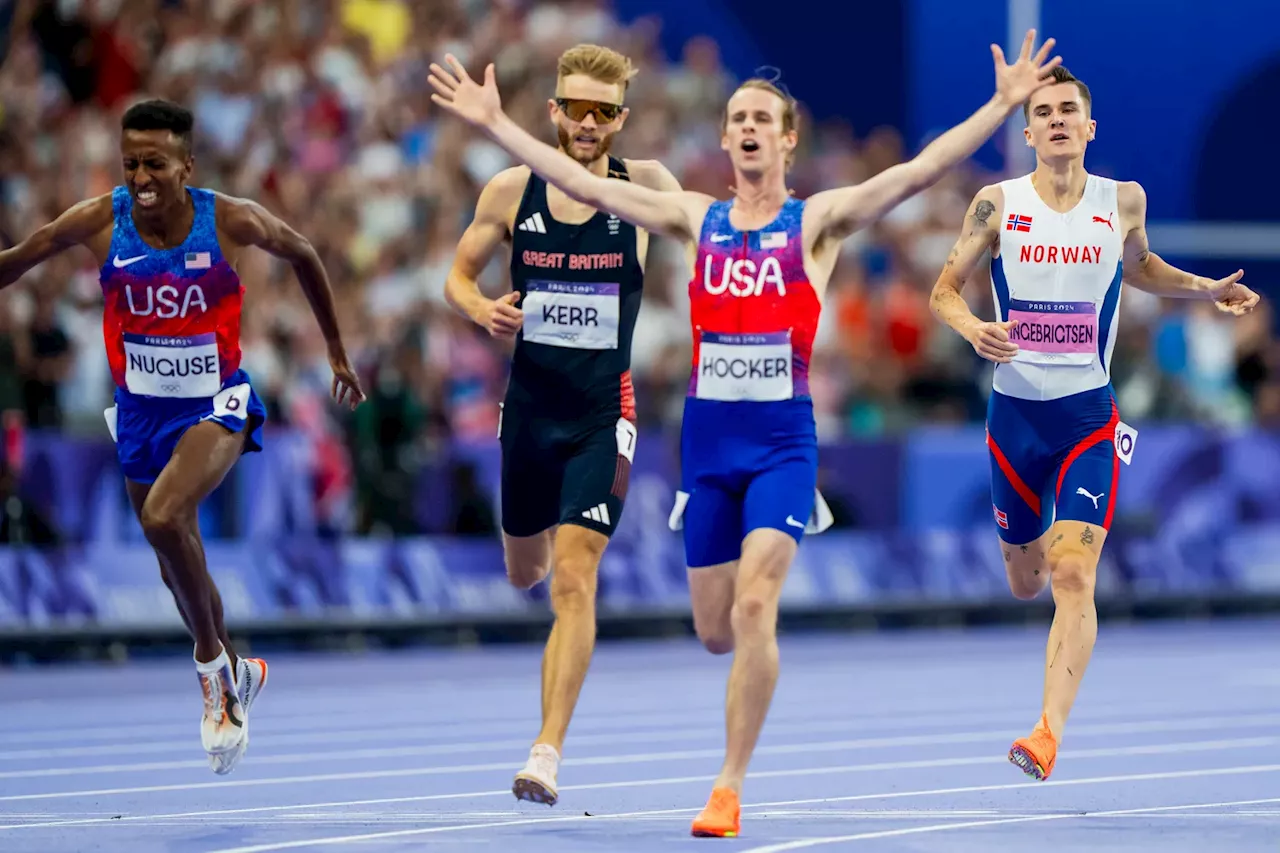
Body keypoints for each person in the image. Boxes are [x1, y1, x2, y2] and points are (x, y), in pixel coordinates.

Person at [430, 31, 1063, 835]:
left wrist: (1002, 107)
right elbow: (561, 174)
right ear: (726, 140)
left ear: (788, 139)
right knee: (714, 630)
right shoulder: (694, 219)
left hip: (782, 444)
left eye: (766, 118)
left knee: (757, 603)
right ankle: (721, 686)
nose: (753, 128)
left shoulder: (818, 222)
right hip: (710, 449)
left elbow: (920, 170)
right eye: (739, 119)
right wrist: (495, 126)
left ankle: (727, 786)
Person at [0, 99, 365, 774]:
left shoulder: (226, 218)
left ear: (186, 165)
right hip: (140, 412)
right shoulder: (99, 221)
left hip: (216, 401)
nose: (141, 176)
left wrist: (337, 351)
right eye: (131, 162)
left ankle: (210, 676)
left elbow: (304, 252)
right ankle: (239, 671)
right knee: (175, 561)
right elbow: (19, 258)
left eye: (156, 163)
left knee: (165, 516)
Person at [928, 65, 1260, 782]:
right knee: (1026, 578)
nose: (1054, 119)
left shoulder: (1123, 201)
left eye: (1067, 110)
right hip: (1014, 416)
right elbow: (943, 289)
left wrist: (1206, 288)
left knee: (1073, 574)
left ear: (1089, 127)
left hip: (1088, 418)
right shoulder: (997, 203)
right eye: (1042, 111)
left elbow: (1139, 267)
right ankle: (1034, 566)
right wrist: (971, 326)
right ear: (1027, 131)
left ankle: (1047, 731)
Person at [441, 44, 683, 805]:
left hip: (602, 415)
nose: (587, 123)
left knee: (574, 578)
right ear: (551, 110)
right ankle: (543, 583)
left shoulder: (643, 188)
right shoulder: (512, 190)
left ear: (620, 120)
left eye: (602, 112)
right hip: (529, 414)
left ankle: (545, 750)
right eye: (573, 108)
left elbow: (711, 234)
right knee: (528, 572)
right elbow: (456, 274)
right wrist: (481, 307)